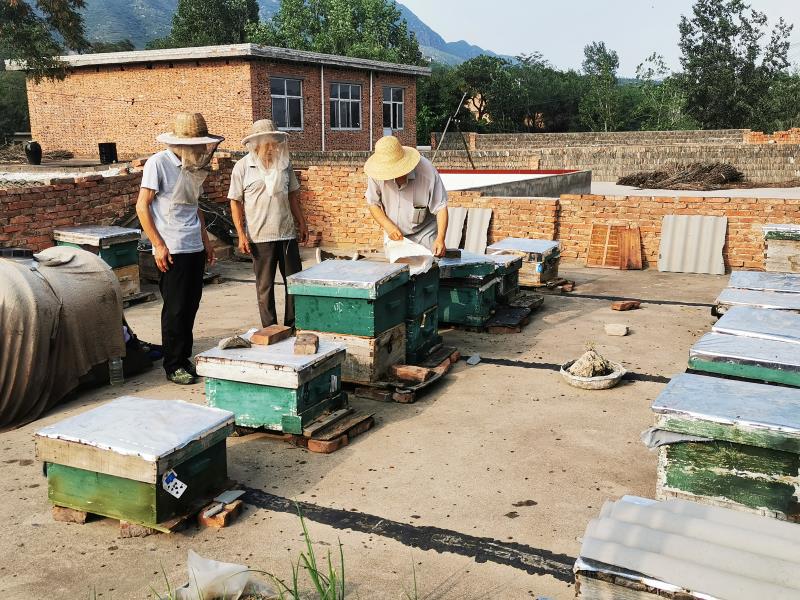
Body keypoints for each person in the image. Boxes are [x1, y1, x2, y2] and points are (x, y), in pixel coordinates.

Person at [136, 112, 223, 385]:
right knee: (175, 309)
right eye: (195, 145)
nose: (200, 150)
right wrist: (158, 245)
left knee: (190, 306)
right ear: (180, 143)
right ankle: (173, 365)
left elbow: (194, 206)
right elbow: (142, 206)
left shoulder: (192, 166)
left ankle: (183, 358)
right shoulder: (158, 163)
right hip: (171, 248)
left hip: (194, 245)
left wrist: (206, 241)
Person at [228, 119, 308, 328]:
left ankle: (293, 326)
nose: (271, 148)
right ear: (256, 145)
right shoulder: (243, 167)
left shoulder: (284, 164)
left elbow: (292, 196)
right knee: (265, 286)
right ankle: (270, 328)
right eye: (267, 144)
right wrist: (241, 234)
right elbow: (235, 202)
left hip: (287, 233)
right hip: (260, 235)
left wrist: (302, 223)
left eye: (274, 143)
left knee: (294, 283)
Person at [364, 135, 448, 257]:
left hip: (424, 233)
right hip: (394, 234)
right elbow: (373, 204)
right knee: (397, 267)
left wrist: (440, 238)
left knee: (429, 265)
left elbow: (441, 207)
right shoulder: (376, 173)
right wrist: (388, 226)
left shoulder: (427, 171)